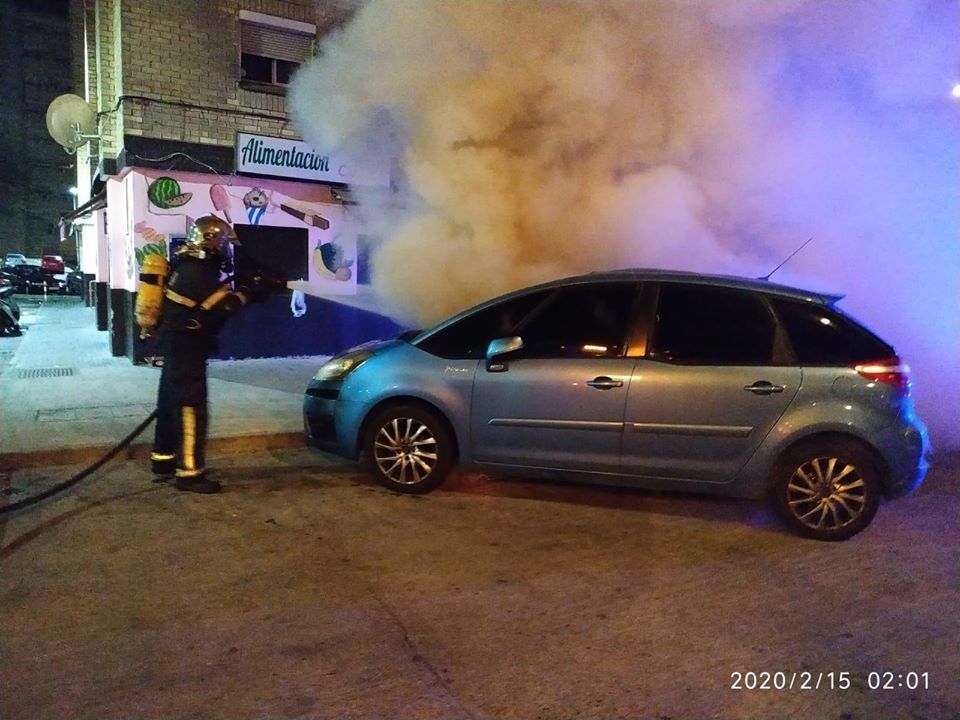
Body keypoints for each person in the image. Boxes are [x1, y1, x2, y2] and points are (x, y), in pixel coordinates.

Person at [148, 215, 263, 493]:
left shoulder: (186, 266)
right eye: (224, 245)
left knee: (168, 403)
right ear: (212, 243)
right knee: (190, 407)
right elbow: (225, 307)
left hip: (177, 344)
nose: (225, 252)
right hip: (187, 348)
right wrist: (250, 289)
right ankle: (189, 473)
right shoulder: (198, 271)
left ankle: (163, 460)